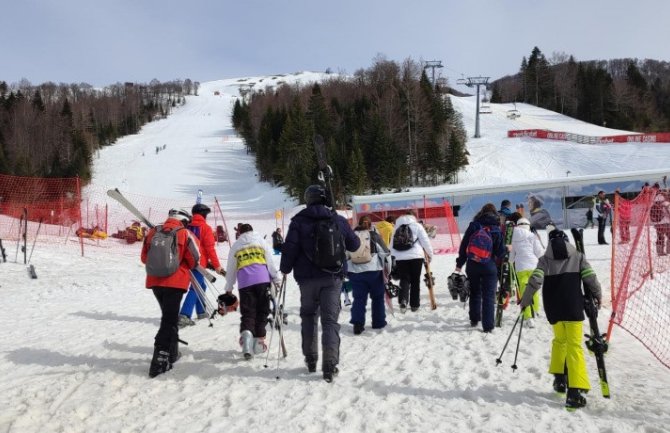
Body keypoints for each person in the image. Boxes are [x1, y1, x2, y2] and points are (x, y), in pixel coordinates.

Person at [279, 184, 360, 382]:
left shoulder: (298, 222)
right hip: (333, 278)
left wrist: (285, 269)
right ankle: (330, 365)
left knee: (308, 317)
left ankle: (311, 359)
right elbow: (355, 245)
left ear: (308, 199)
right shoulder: (337, 219)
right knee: (330, 321)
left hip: (306, 280)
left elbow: (290, 249)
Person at [519, 228, 602, 410]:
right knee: (574, 346)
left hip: (553, 309)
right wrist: (598, 295)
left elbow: (535, 280)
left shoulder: (544, 260)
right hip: (573, 307)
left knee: (559, 341)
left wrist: (525, 301)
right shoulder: (578, 256)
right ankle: (575, 392)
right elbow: (590, 278)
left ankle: (559, 379)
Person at [141, 209, 200, 378]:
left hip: (155, 282)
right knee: (169, 320)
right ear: (184, 220)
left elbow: (144, 258)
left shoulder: (153, 231)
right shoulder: (184, 233)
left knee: (169, 317)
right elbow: (195, 259)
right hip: (176, 282)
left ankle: (172, 352)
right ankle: (160, 359)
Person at [224, 223, 281, 359]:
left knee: (248, 312)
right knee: (262, 311)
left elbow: (231, 268)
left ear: (240, 233)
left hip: (245, 283)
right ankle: (259, 341)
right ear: (252, 231)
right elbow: (270, 262)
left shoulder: (236, 246)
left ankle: (247, 339)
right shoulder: (261, 241)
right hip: (262, 280)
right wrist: (276, 278)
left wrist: (229, 287)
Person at [455, 203, 506, 332]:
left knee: (475, 291)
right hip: (489, 265)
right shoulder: (496, 228)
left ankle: (474, 318)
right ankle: (488, 326)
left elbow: (463, 245)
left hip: (472, 264)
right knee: (488, 296)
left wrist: (459, 264)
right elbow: (500, 252)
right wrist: (506, 250)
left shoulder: (474, 226)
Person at [178, 203, 225, 328]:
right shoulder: (205, 228)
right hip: (198, 263)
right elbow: (210, 249)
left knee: (201, 285)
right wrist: (217, 266)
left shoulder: (186, 226)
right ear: (203, 214)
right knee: (195, 288)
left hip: (185, 262)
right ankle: (184, 315)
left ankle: (201, 312)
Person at [347, 215, 391, 335]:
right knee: (377, 297)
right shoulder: (374, 235)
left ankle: (357, 323)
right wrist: (389, 270)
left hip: (355, 272)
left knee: (359, 298)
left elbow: (345, 255)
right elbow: (385, 252)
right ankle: (378, 322)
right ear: (370, 224)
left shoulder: (350, 237)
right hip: (374, 271)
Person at [390, 210, 434, 313]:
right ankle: (414, 305)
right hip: (416, 257)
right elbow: (425, 241)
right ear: (414, 216)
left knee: (404, 279)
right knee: (415, 280)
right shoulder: (417, 226)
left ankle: (403, 300)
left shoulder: (396, 226)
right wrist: (430, 255)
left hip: (400, 257)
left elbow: (391, 244)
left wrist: (392, 257)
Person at [511, 217, 544, 327]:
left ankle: (528, 316)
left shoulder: (513, 237)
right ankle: (535, 310)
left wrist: (511, 261)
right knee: (534, 289)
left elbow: (511, 256)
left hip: (520, 268)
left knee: (524, 291)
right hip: (533, 267)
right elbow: (539, 252)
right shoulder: (532, 236)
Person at [651, 188, 670, 256]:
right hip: (667, 224)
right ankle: (668, 250)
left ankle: (660, 252)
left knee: (660, 237)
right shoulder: (666, 203)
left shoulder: (654, 203)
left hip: (657, 224)